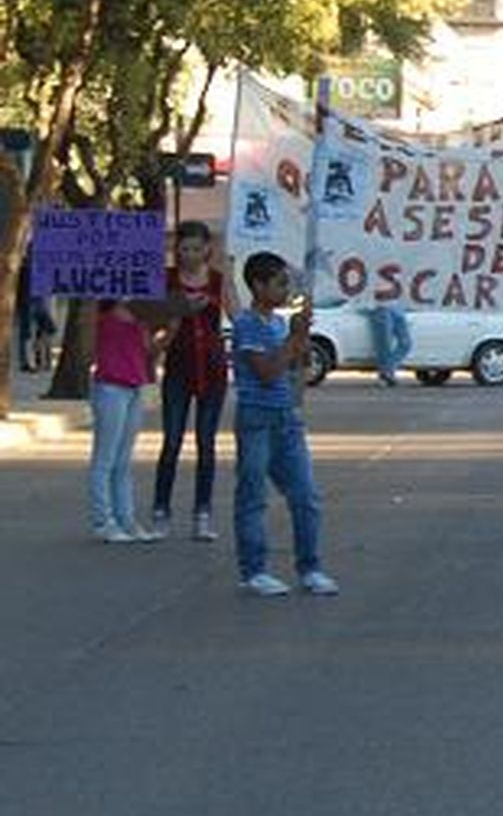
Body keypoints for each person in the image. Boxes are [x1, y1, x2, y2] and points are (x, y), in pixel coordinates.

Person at [231, 252, 339, 597]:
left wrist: (301, 345)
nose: (284, 289)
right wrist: (293, 341)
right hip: (256, 419)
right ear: (258, 286)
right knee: (253, 495)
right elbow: (266, 372)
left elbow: (294, 371)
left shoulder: (278, 323)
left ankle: (310, 567)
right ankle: (254, 569)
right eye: (278, 283)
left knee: (306, 496)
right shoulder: (248, 325)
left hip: (286, 418)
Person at [151, 221, 234, 541]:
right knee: (171, 442)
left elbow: (237, 313)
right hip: (178, 368)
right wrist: (179, 310)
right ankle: (161, 509)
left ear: (207, 250)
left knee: (206, 444)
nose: (190, 255)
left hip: (212, 369)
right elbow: (154, 320)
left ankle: (203, 512)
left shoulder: (217, 281)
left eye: (196, 249)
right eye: (184, 249)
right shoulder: (167, 279)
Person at [88, 300, 163, 544]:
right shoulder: (104, 311)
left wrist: (168, 329)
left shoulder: (141, 314)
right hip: (110, 386)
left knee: (123, 460)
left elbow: (149, 350)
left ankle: (127, 519)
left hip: (134, 386)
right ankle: (103, 521)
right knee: (105, 457)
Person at [368, 301, 413, 386]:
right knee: (384, 345)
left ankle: (386, 371)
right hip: (380, 307)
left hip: (397, 307)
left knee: (405, 343)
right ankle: (387, 374)